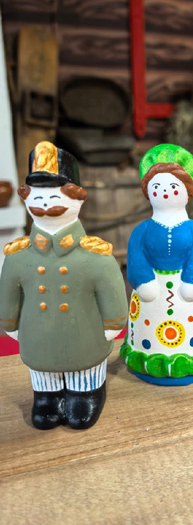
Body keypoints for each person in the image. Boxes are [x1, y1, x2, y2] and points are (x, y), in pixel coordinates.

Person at [0, 141, 128, 429]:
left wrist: (113, 324)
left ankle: (86, 394)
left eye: (55, 195)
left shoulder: (94, 255)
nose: (45, 204)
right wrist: (10, 323)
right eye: (38, 196)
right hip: (37, 339)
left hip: (86, 339)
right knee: (43, 377)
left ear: (78, 199)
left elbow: (110, 288)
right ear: (26, 199)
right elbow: (9, 292)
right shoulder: (18, 257)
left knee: (85, 372)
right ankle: (46, 397)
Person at [120, 144, 193, 385]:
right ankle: (146, 359)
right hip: (150, 292)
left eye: (173, 187)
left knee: (191, 330)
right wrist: (143, 281)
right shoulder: (142, 230)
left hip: (187, 292)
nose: (164, 192)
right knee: (150, 329)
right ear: (148, 193)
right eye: (157, 187)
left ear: (187, 192)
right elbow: (136, 257)